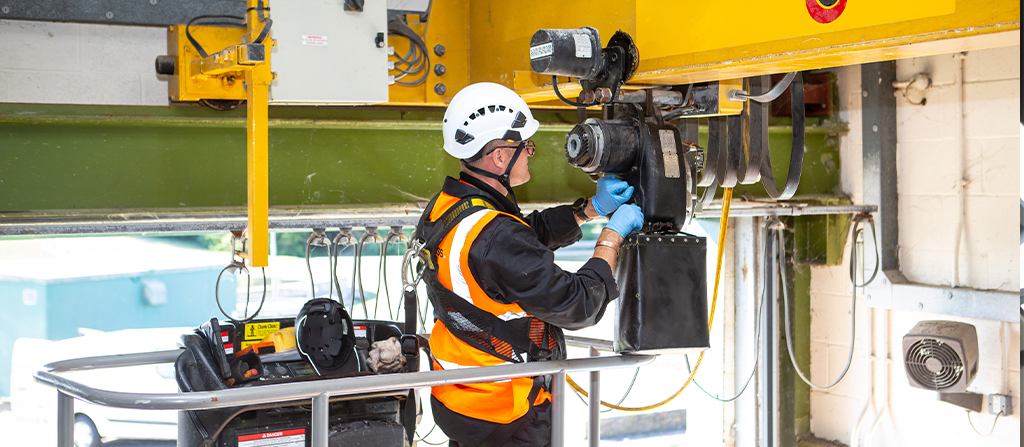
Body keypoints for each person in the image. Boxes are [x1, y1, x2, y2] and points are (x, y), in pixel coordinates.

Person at [412, 82, 644, 447]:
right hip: (506, 408)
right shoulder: (496, 235)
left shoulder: (449, 208)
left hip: (458, 398)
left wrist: (589, 211)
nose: (529, 154)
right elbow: (579, 303)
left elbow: (516, 242)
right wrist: (611, 237)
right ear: (501, 157)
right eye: (526, 147)